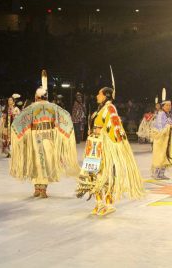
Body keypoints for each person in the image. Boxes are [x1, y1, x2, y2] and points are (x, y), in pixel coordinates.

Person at [76, 67, 144, 216]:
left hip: (103, 146)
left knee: (105, 174)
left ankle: (109, 203)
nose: (96, 96)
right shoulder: (99, 109)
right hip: (94, 145)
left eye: (99, 94)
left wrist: (112, 142)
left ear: (106, 95)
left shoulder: (110, 108)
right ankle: (99, 202)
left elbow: (115, 127)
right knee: (93, 174)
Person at [10, 70, 79, 197]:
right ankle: (43, 189)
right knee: (46, 161)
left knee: (36, 161)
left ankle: (37, 188)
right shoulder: (54, 107)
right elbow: (67, 117)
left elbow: (17, 124)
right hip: (48, 137)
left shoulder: (30, 108)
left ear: (36, 97)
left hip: (34, 136)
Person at [151, 89, 172, 180]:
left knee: (165, 155)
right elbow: (160, 129)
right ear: (163, 106)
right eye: (167, 105)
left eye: (170, 105)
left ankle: (161, 174)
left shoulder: (168, 115)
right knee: (159, 155)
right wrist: (169, 126)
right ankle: (156, 174)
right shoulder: (161, 114)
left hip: (167, 139)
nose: (169, 107)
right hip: (160, 139)